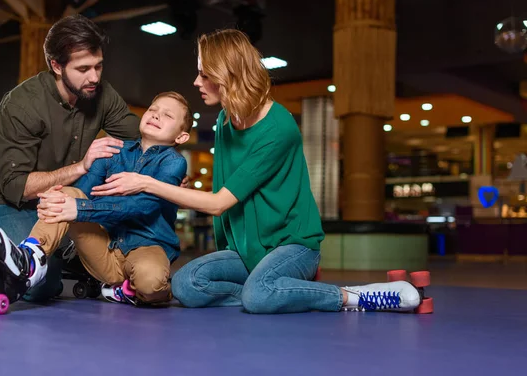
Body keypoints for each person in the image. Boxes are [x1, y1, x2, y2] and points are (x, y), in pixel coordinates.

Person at [88, 29, 423, 314]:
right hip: (245, 251)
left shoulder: (278, 127)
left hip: (291, 246)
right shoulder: (224, 120)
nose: (196, 81)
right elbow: (227, 192)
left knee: (257, 295)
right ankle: (283, 289)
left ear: (228, 75)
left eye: (205, 74)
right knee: (186, 285)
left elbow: (219, 203)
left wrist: (146, 183)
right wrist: (176, 187)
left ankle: (353, 296)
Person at [0, 14, 138, 301]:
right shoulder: (22, 105)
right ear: (56, 65)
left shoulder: (101, 93)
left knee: (114, 257)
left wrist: (165, 162)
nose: (94, 76)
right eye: (83, 68)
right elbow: (18, 187)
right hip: (6, 201)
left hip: (58, 201)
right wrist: (82, 166)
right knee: (41, 286)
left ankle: (55, 251)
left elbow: (139, 135)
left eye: (98, 66)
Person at [0, 91, 193, 307]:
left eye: (167, 115)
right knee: (67, 196)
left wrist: (79, 209)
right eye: (153, 110)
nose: (156, 115)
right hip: (104, 247)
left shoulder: (174, 163)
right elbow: (81, 193)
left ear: (181, 137)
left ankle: (125, 291)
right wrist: (54, 198)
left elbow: (143, 206)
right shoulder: (112, 150)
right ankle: (31, 258)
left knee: (151, 284)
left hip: (147, 246)